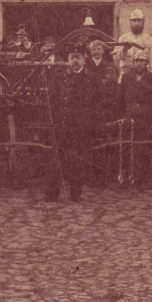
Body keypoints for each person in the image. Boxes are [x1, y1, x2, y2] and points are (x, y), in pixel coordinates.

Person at [44, 43, 99, 201]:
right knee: (57, 160)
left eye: (78, 57)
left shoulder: (92, 78)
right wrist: (55, 122)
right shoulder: (59, 78)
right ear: (67, 60)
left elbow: (98, 103)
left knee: (79, 161)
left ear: (84, 60)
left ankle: (76, 194)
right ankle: (52, 194)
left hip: (82, 128)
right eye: (72, 57)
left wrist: (91, 123)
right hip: (62, 126)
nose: (75, 60)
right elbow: (52, 102)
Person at [117, 48, 152, 185]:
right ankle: (126, 176)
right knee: (126, 147)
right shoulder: (126, 77)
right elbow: (120, 100)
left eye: (142, 61)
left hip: (145, 119)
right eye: (136, 61)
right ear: (133, 62)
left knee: (144, 149)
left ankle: (142, 178)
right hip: (129, 118)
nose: (139, 64)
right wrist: (121, 117)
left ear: (146, 63)